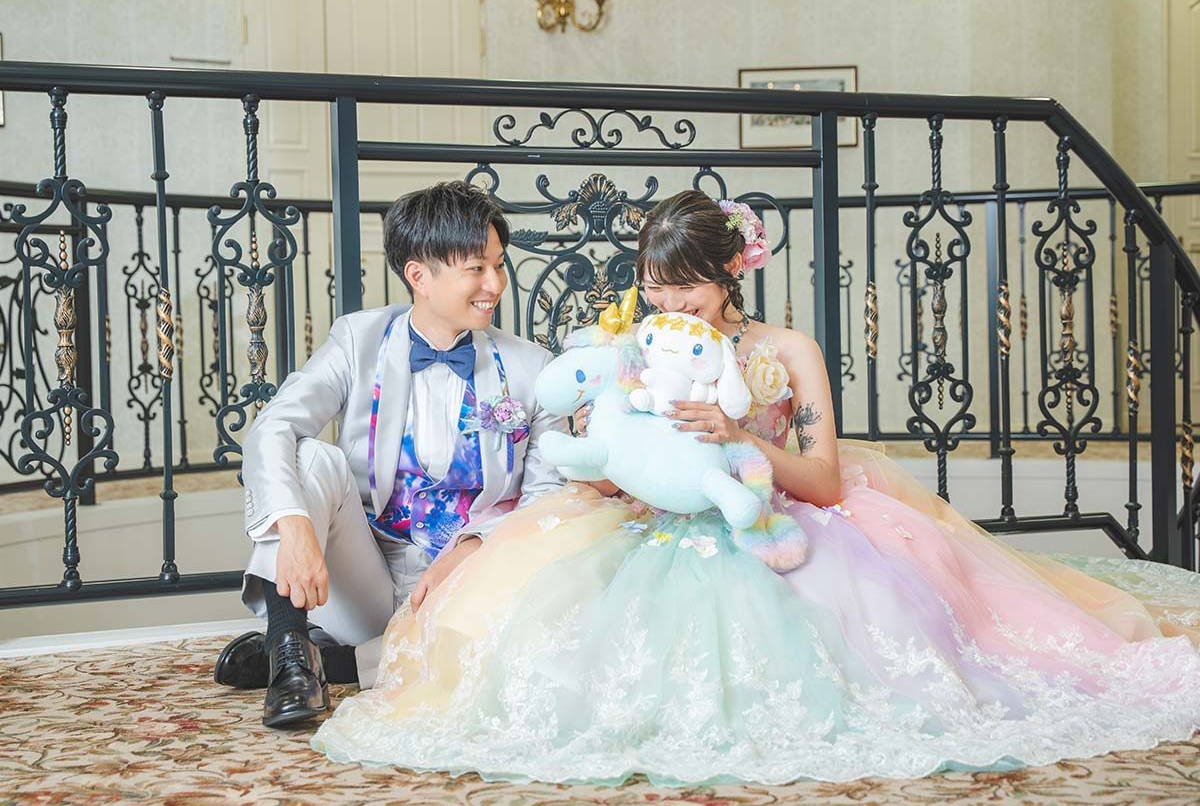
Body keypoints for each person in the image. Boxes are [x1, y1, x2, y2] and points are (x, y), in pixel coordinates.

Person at [311, 190, 1200, 784]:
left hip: (772, 512)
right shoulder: (640, 346)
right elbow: (612, 461)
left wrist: (739, 439)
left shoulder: (785, 353)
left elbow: (824, 479)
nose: (668, 309)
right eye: (653, 291)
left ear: (730, 273)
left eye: (685, 292)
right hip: (648, 523)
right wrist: (617, 450)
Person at [213, 181, 566, 727]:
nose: (495, 284)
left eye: (499, 265)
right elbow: (273, 426)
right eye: (476, 268)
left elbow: (547, 500)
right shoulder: (359, 340)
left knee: (532, 638)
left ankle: (337, 661)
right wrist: (295, 526)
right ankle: (290, 651)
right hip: (368, 579)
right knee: (313, 458)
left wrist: (474, 546)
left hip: (472, 584)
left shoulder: (531, 367)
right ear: (418, 275)